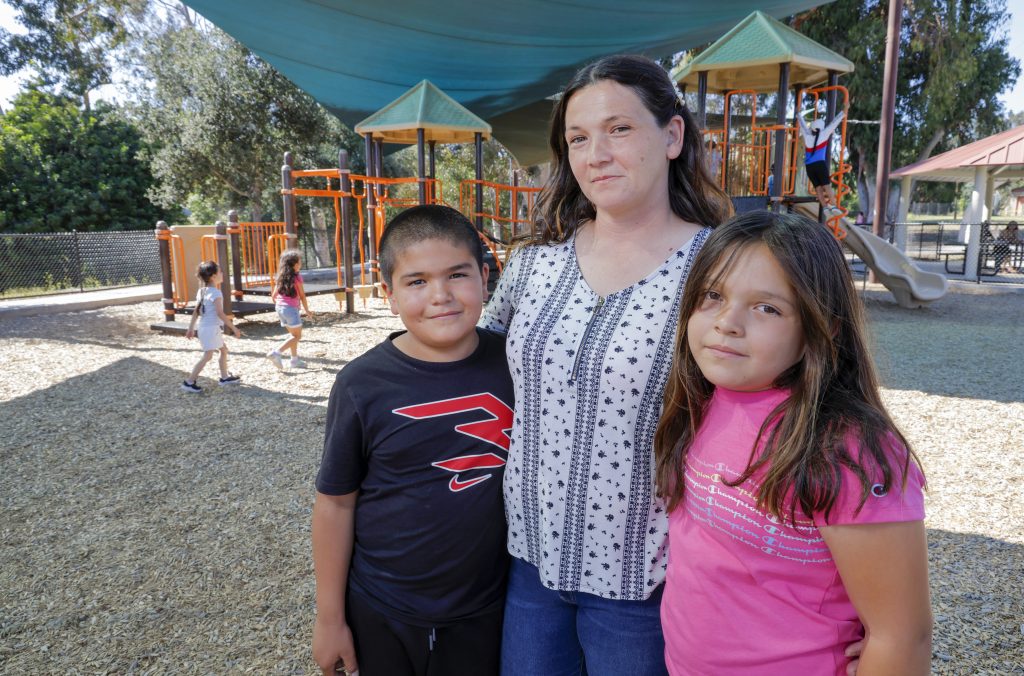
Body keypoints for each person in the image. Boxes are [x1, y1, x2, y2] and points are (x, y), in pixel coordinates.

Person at [480, 54, 732, 675]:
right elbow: (470, 362)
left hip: (647, 578)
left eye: (619, 129)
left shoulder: (720, 268)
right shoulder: (534, 264)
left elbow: (778, 405)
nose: (595, 153)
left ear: (672, 136)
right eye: (577, 137)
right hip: (530, 563)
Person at [654, 211, 931, 675]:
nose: (728, 323)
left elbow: (901, 635)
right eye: (713, 296)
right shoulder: (702, 399)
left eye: (768, 308)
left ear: (823, 329)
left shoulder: (847, 449)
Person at [312, 205, 514, 676]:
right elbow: (336, 504)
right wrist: (329, 618)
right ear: (389, 294)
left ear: (485, 278)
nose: (440, 296)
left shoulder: (515, 362)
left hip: (486, 608)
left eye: (457, 275)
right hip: (382, 607)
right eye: (417, 281)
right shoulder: (362, 384)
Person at [181, 260, 241, 393]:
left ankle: (224, 377)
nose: (222, 273)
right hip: (211, 329)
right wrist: (234, 328)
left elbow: (196, 310)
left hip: (205, 328)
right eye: (220, 271)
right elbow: (220, 313)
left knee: (223, 350)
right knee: (208, 355)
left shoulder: (202, 291)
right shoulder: (216, 293)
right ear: (213, 276)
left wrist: (191, 328)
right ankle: (189, 382)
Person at [267, 249, 314, 369]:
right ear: (294, 264)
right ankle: (276, 352)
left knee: (293, 335)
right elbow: (302, 296)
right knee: (297, 336)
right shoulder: (297, 277)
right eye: (299, 262)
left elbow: (274, 296)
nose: (301, 264)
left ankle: (294, 360)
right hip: (290, 309)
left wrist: (281, 306)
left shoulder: (280, 277)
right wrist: (307, 310)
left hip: (280, 308)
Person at [796, 110, 845, 217]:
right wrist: (843, 111)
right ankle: (833, 205)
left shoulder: (808, 136)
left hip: (809, 167)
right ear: (821, 128)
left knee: (818, 188)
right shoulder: (824, 134)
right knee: (826, 186)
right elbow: (834, 123)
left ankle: (825, 208)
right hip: (820, 164)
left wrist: (798, 114)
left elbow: (802, 125)